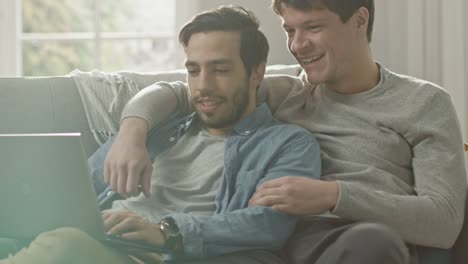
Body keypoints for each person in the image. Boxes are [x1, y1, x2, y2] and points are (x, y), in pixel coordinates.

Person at [103, 0, 467, 264]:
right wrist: (133, 129)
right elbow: (183, 92)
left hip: (353, 241)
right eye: (290, 30)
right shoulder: (285, 89)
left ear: (359, 20)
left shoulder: (423, 102)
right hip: (268, 235)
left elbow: (444, 221)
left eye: (313, 28)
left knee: (371, 242)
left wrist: (332, 195)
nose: (297, 45)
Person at [0, 6, 321, 264]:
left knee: (63, 246)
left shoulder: (287, 143)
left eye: (220, 70)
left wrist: (167, 232)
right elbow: (77, 189)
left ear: (257, 72)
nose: (203, 86)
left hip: (155, 253)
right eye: (193, 70)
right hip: (97, 236)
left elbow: (268, 225)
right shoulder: (157, 129)